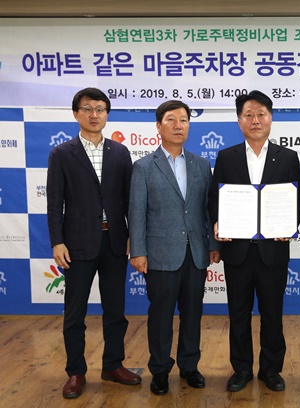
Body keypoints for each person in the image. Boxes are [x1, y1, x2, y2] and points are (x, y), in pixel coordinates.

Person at [47, 87, 140, 399]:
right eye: (87, 109)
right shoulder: (62, 153)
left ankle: (113, 365)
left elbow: (129, 201)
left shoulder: (120, 152)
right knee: (75, 312)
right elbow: (54, 202)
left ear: (107, 114)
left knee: (115, 309)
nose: (94, 114)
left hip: (115, 241)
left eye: (100, 109)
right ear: (76, 114)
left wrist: (133, 236)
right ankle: (76, 372)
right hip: (76, 244)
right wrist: (57, 241)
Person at [208, 90, 300, 393]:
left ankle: (271, 370)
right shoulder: (227, 157)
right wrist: (218, 223)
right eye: (248, 115)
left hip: (272, 250)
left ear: (270, 119)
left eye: (261, 114)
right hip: (237, 250)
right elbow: (215, 198)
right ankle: (241, 369)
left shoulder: (288, 157)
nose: (255, 120)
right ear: (239, 121)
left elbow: (297, 199)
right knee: (238, 313)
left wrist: (289, 225)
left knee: (272, 313)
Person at [128, 100, 219, 395]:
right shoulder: (143, 167)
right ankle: (160, 369)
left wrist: (213, 244)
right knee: (161, 316)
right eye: (171, 120)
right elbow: (136, 213)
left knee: (193, 313)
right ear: (159, 126)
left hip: (196, 253)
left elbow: (208, 210)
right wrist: (138, 251)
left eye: (184, 120)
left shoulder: (201, 165)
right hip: (160, 254)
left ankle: (190, 366)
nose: (178, 125)